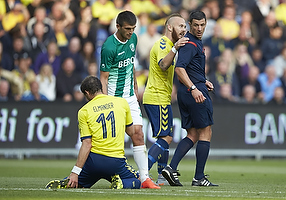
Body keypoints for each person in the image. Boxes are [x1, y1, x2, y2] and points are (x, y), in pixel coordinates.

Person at [45, 76, 141, 189]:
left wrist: (75, 172)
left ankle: (69, 181)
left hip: (93, 162)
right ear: (100, 88)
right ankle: (121, 184)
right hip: (115, 162)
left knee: (76, 181)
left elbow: (87, 144)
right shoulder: (122, 103)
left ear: (87, 93)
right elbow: (131, 132)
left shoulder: (84, 111)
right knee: (138, 180)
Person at [99, 10, 160, 189]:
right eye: (127, 29)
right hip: (114, 98)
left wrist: (134, 83)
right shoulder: (109, 47)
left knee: (139, 134)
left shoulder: (133, 39)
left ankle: (144, 179)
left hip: (130, 97)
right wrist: (104, 102)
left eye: (133, 28)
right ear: (117, 26)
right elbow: (103, 77)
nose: (131, 32)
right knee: (114, 139)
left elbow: (131, 62)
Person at [162, 10, 218, 187]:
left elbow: (189, 69)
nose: (199, 28)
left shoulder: (194, 43)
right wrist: (194, 88)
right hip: (194, 93)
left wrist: (203, 81)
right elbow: (179, 69)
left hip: (190, 91)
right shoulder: (190, 43)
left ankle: (171, 168)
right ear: (190, 25)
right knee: (205, 132)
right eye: (196, 25)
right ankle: (199, 177)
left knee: (193, 134)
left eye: (202, 25)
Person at [142, 13, 188, 186]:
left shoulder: (168, 44)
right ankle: (143, 172)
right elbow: (163, 64)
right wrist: (175, 48)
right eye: (180, 26)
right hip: (157, 97)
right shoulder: (164, 44)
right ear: (170, 27)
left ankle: (162, 175)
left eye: (185, 26)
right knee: (166, 138)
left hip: (159, 97)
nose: (184, 29)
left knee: (165, 136)